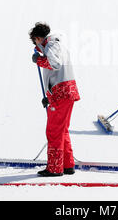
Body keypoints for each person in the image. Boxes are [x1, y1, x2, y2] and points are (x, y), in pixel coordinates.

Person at [29, 22, 80, 176]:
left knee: (53, 131)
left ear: (38, 38)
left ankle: (55, 168)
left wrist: (38, 60)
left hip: (61, 94)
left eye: (35, 41)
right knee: (62, 130)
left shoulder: (52, 46)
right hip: (65, 92)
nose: (36, 45)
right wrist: (48, 97)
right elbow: (56, 73)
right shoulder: (58, 45)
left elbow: (55, 65)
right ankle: (67, 164)